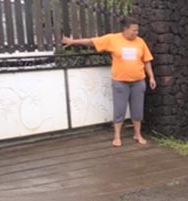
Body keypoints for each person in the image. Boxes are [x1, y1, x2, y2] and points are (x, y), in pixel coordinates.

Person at [62, 16, 156, 147]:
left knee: (137, 110)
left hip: (138, 82)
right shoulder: (112, 39)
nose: (136, 33)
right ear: (125, 29)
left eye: (137, 30)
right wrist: (73, 41)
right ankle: (117, 136)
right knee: (119, 109)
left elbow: (147, 60)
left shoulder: (140, 42)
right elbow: (92, 42)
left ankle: (137, 134)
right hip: (120, 82)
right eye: (134, 30)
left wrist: (151, 77)